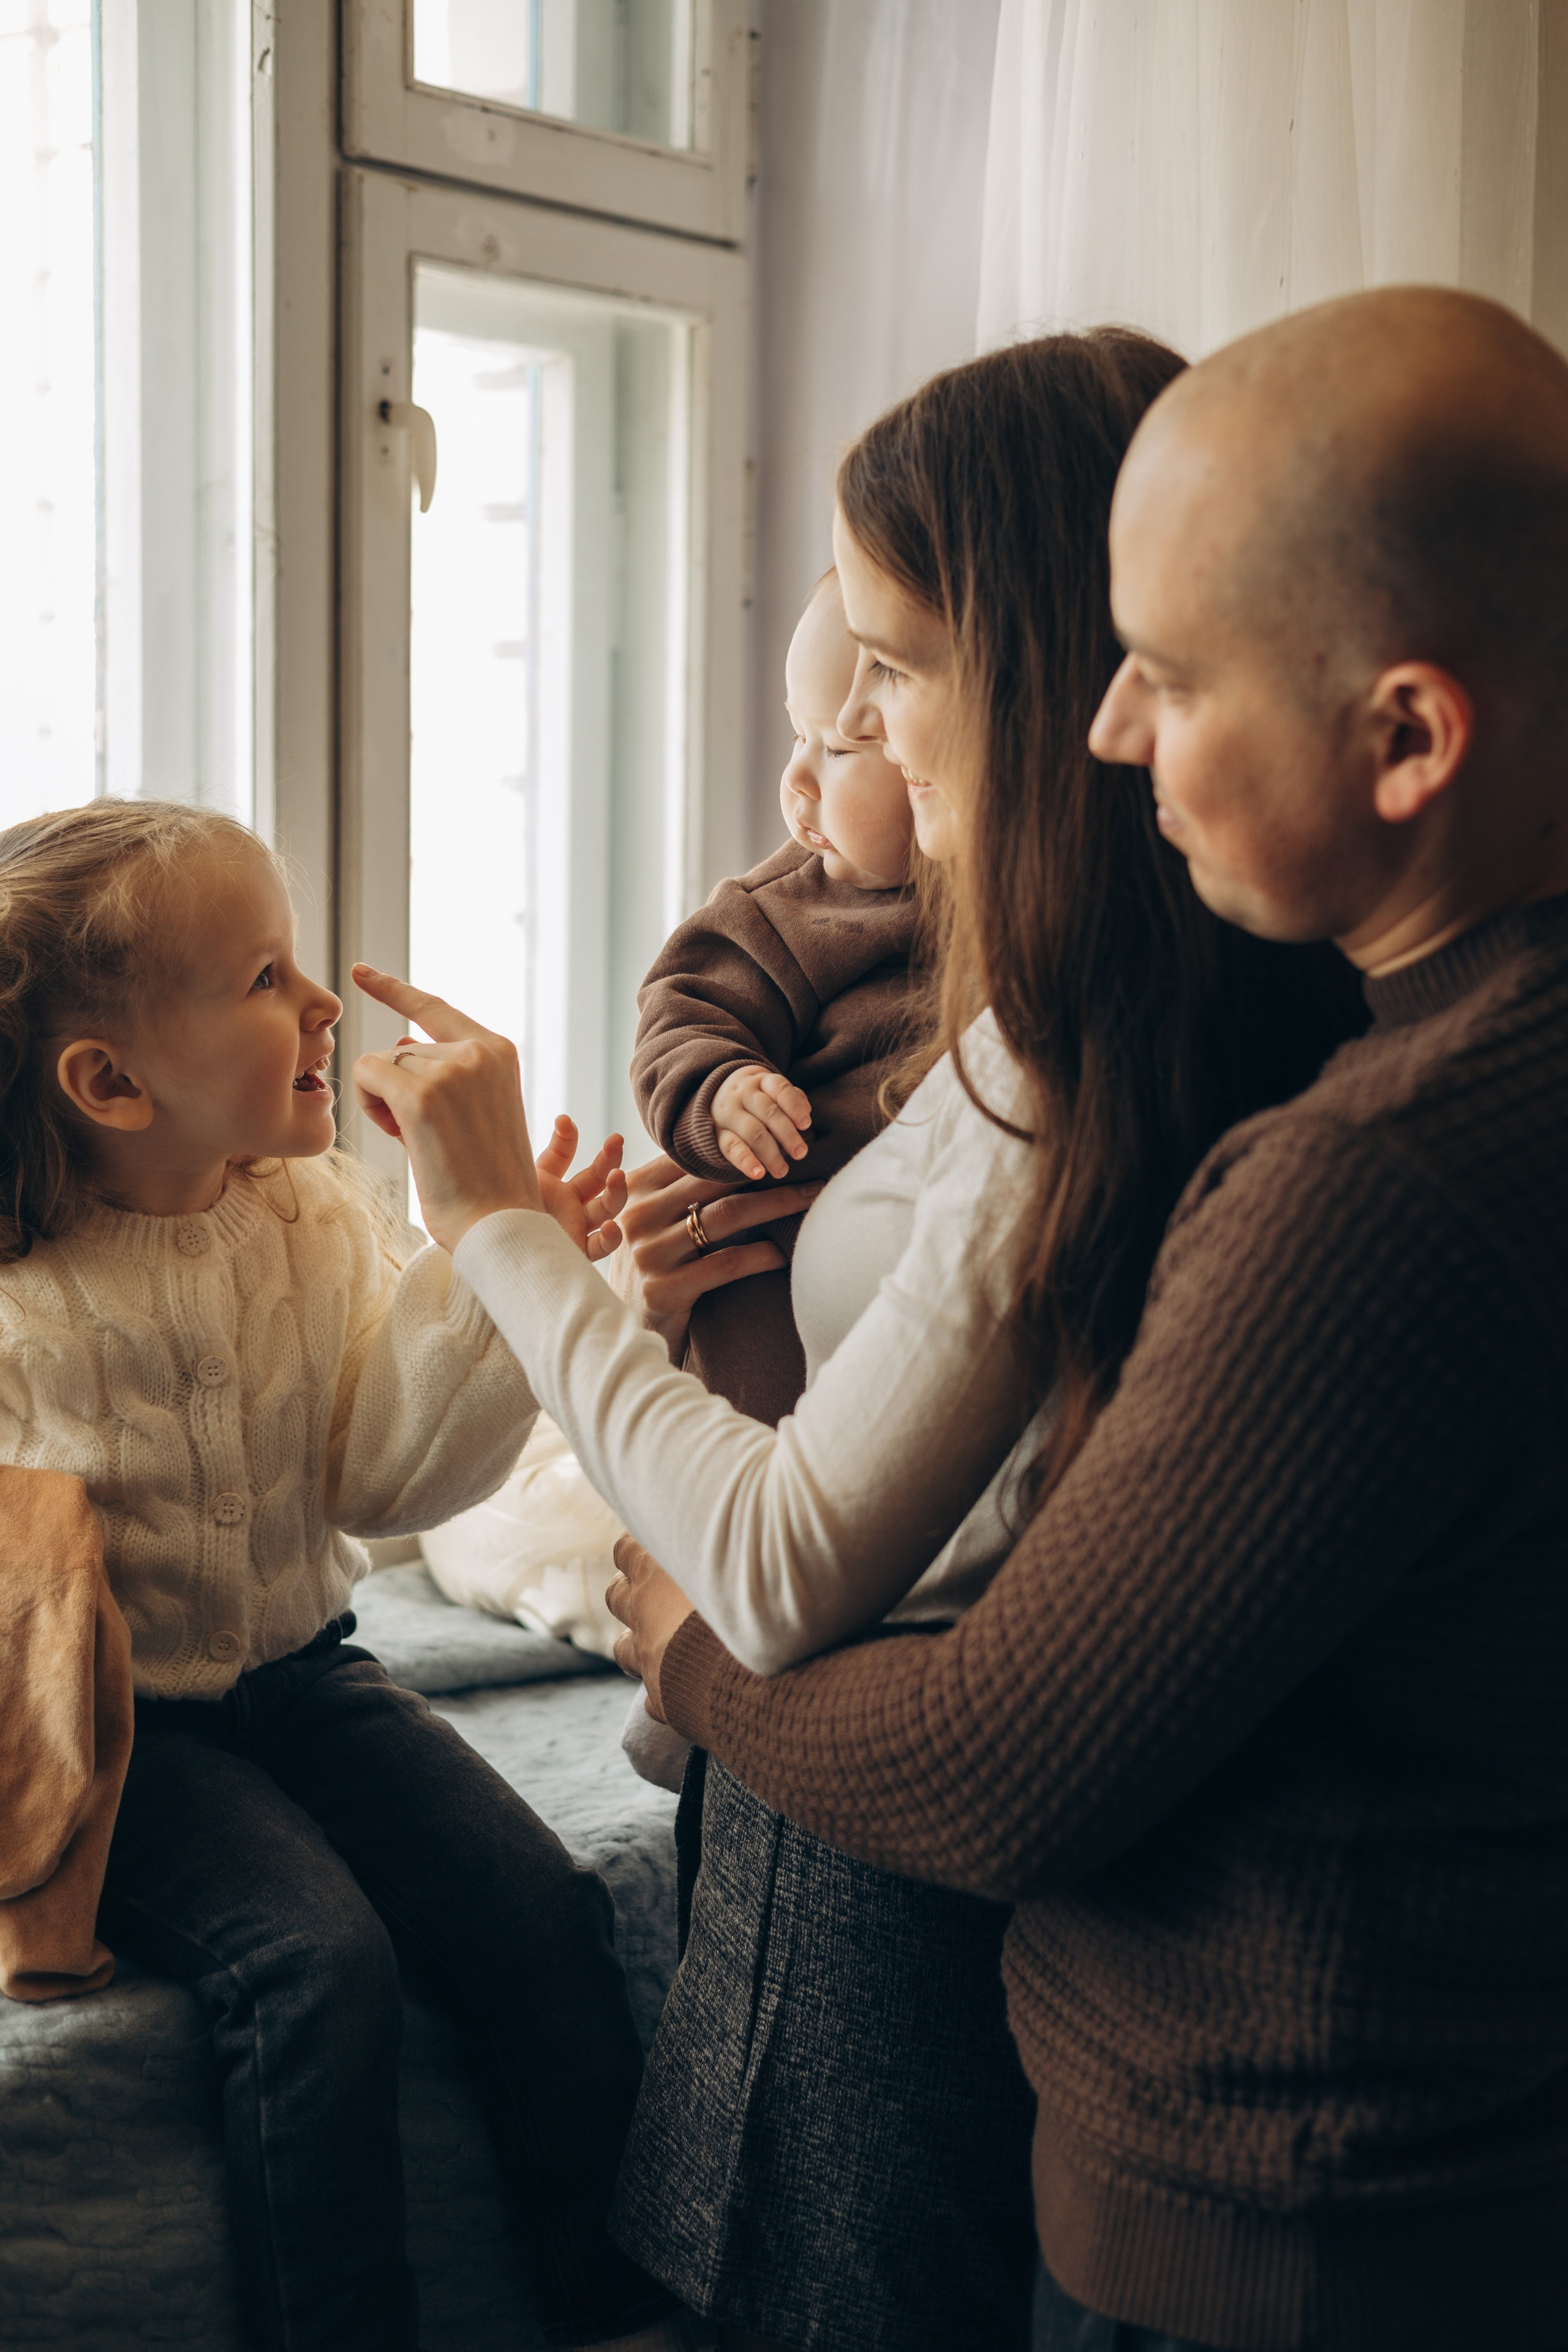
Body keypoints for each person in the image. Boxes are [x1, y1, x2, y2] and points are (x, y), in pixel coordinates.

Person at [353, 330, 1366, 2352]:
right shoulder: (1169, 1014)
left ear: (1026, 667)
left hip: (890, 1839)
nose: (850, 743)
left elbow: (783, 1564)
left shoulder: (1080, 1066)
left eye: (886, 673)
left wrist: (488, 1228)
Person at [603, 286, 1568, 2352]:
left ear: (1407, 735)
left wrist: (693, 1654)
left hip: (1290, 2220)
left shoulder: (1380, 1179)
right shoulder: (1433, 1052)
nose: (1113, 735)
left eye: (1171, 677)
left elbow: (990, 1771)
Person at [0, 801, 681, 2352]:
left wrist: (502, 1275)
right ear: (108, 1083)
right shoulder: (16, 1297)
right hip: (129, 1735)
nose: (324, 1006)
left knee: (534, 1909)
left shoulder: (304, 1221)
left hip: (305, 1675)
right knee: (313, 1966)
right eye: (262, 976)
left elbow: (383, 1482)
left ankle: (613, 2305)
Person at [631, 565, 919, 1431]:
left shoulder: (1017, 927)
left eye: (837, 749)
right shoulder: (786, 909)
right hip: (759, 1294)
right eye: (799, 736)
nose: (797, 779)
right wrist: (722, 1091)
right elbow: (683, 1008)